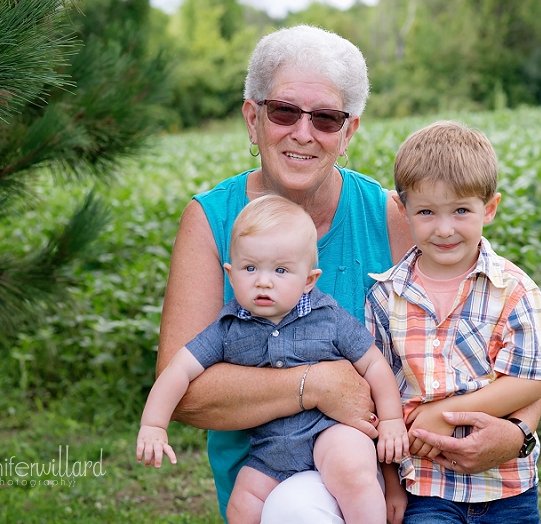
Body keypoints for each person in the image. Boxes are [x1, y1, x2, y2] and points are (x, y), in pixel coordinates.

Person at [156, 24, 541, 523]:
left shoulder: (395, 216)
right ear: (252, 118)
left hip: (401, 481)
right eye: (284, 111)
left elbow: (505, 332)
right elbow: (184, 393)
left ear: (349, 133)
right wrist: (314, 384)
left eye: (326, 118)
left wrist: (518, 435)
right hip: (269, 480)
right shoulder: (212, 219)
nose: (304, 132)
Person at [137, 196, 408, 524]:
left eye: (280, 270)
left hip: (332, 431)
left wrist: (392, 420)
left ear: (309, 280)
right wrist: (153, 424)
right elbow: (178, 370)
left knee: (352, 471)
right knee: (242, 505)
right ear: (231, 274)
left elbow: (375, 365)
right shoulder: (227, 330)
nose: (263, 281)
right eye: (250, 268)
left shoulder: (328, 318)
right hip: (272, 449)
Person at [365, 120, 541, 524]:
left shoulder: (515, 290)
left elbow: (531, 379)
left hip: (508, 487)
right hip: (425, 488)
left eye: (462, 210)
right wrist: (390, 482)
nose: (445, 229)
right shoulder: (385, 296)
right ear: (404, 211)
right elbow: (376, 399)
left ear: (490, 208)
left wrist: (448, 413)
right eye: (427, 212)